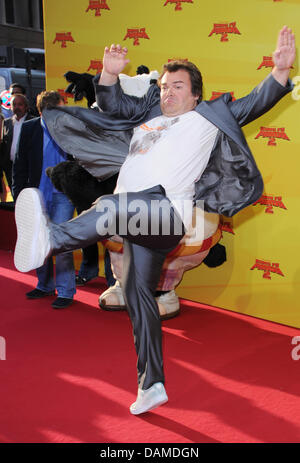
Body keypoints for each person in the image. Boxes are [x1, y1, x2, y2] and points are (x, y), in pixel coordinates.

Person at [13, 26, 295, 414]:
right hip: (138, 220)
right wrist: (109, 76)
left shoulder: (207, 118)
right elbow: (113, 108)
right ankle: (152, 384)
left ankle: (50, 240)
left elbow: (255, 102)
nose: (168, 92)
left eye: (177, 86)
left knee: (109, 205)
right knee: (136, 294)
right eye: (164, 86)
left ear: (195, 94)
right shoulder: (148, 118)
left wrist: (280, 72)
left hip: (167, 214)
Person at [12, 91, 76, 309]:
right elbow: (19, 164)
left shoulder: (69, 128)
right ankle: (45, 285)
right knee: (39, 240)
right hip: (36, 194)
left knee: (61, 243)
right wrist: (19, 194)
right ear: (41, 112)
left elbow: (80, 160)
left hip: (63, 195)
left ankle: (66, 291)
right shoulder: (30, 129)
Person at [0, 94, 33, 194]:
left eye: (20, 104)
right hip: (11, 168)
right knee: (15, 195)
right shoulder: (6, 122)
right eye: (14, 105)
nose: (17, 107)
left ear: (26, 106)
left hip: (28, 167)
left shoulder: (33, 122)